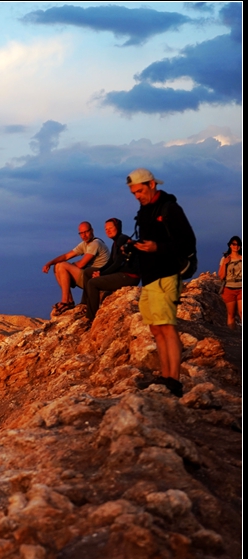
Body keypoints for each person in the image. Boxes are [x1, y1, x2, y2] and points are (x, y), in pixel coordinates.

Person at [127, 168, 197, 397]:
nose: (137, 195)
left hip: (166, 276)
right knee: (156, 329)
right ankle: (165, 376)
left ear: (152, 184)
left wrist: (158, 248)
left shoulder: (170, 208)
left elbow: (188, 242)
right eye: (133, 192)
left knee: (168, 328)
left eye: (139, 190)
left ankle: (174, 381)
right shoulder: (145, 210)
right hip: (149, 279)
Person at [42, 221, 109, 315]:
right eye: (81, 233)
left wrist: (67, 268)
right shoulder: (84, 244)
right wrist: (50, 263)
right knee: (57, 266)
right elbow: (66, 256)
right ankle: (69, 301)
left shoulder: (95, 243)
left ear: (92, 231)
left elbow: (81, 264)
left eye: (86, 232)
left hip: (95, 279)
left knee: (62, 266)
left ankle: (65, 302)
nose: (84, 235)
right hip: (88, 277)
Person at [84, 218, 140, 322]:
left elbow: (118, 264)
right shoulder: (115, 243)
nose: (108, 231)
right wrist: (99, 271)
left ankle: (90, 318)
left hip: (129, 276)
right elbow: (110, 262)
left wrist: (101, 274)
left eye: (111, 228)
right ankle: (84, 304)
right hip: (122, 274)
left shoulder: (122, 239)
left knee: (92, 283)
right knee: (89, 272)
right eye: (106, 229)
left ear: (118, 228)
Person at [218, 235, 242, 328]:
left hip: (241, 288)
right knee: (231, 314)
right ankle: (232, 336)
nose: (236, 246)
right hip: (229, 289)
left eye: (238, 244)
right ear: (230, 245)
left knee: (241, 312)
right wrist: (225, 263)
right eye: (234, 244)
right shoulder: (225, 259)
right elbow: (221, 275)